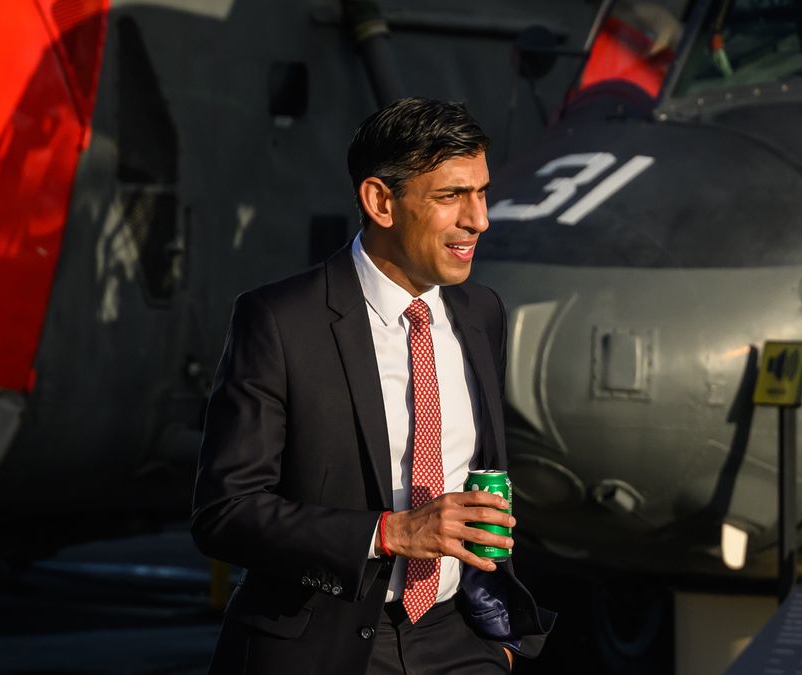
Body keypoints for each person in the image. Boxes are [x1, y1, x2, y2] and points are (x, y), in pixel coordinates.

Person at [191, 97, 553, 675]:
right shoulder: (279, 321)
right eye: (451, 196)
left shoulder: (482, 311)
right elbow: (225, 512)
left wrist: (497, 645)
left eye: (481, 192)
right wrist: (388, 533)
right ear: (381, 201)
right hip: (325, 646)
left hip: (459, 640)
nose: (478, 219)